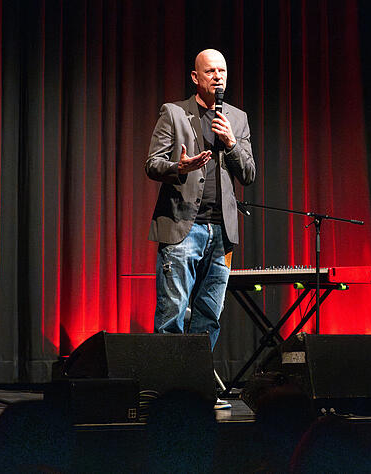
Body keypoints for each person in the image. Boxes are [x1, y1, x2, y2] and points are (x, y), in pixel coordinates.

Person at [145, 49, 255, 408]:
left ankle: (195, 390)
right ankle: (168, 392)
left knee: (209, 314)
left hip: (221, 231)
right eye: (210, 71)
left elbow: (249, 174)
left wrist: (231, 143)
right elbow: (153, 164)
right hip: (182, 227)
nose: (218, 77)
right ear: (196, 77)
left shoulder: (236, 119)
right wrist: (182, 166)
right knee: (174, 312)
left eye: (222, 70)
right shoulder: (174, 113)